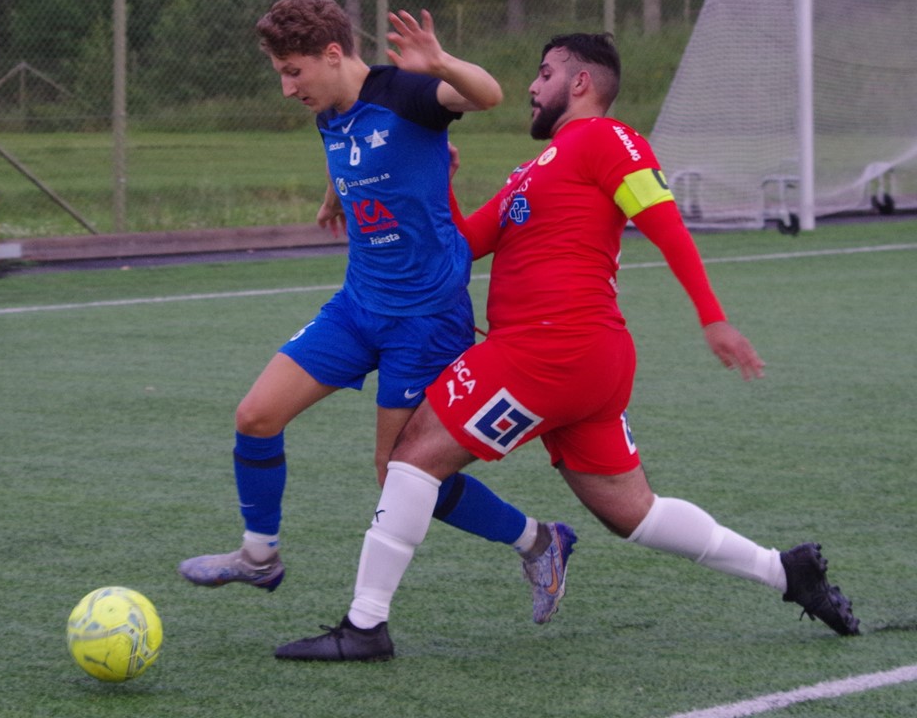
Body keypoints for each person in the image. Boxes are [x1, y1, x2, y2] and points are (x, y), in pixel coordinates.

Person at [274, 32, 860, 662]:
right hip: (577, 363)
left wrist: (713, 318)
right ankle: (784, 571)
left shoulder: (608, 140)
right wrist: (436, 181)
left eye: (545, 72)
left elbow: (663, 220)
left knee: (409, 460)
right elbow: (465, 242)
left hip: (551, 349)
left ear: (580, 84)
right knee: (631, 511)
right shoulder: (537, 169)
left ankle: (365, 627)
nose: (532, 85)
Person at [178, 0, 576, 625]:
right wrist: (336, 194)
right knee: (255, 415)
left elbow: (488, 94)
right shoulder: (329, 108)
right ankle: (259, 556)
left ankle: (539, 540)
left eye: (292, 71)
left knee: (402, 475)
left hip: (424, 319)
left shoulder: (408, 92)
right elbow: (360, 152)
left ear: (332, 54)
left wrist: (440, 61)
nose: (286, 89)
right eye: (280, 72)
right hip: (358, 304)